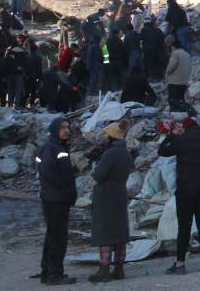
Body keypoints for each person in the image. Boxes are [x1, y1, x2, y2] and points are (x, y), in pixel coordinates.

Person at [158, 118, 200, 274]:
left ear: (185, 128)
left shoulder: (181, 140)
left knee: (184, 227)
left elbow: (163, 151)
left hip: (185, 190)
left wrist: (171, 135)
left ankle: (180, 264)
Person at [88, 121, 133, 283]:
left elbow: (99, 175)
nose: (104, 137)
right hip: (120, 193)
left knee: (105, 232)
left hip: (106, 194)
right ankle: (119, 268)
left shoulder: (110, 154)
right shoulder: (125, 153)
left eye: (106, 135)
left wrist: (95, 164)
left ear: (111, 137)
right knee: (119, 232)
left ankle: (104, 269)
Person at [37, 118, 78, 285]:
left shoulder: (59, 147)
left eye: (68, 127)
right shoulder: (51, 148)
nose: (66, 130)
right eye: (62, 127)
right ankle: (55, 275)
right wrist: (64, 188)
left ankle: (47, 272)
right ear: (55, 129)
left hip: (57, 198)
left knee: (53, 236)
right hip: (55, 200)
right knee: (58, 238)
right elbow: (48, 173)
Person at [165, 38, 192, 112]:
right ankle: (182, 115)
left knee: (173, 101)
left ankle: (175, 117)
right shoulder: (187, 54)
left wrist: (167, 73)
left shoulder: (175, 53)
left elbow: (171, 66)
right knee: (181, 100)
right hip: (184, 82)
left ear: (173, 47)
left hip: (175, 82)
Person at [5, 43, 28, 107]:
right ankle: (17, 105)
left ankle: (10, 105)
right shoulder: (23, 53)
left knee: (10, 91)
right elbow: (25, 64)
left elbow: (5, 64)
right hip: (19, 75)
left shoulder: (9, 53)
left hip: (9, 75)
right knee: (18, 90)